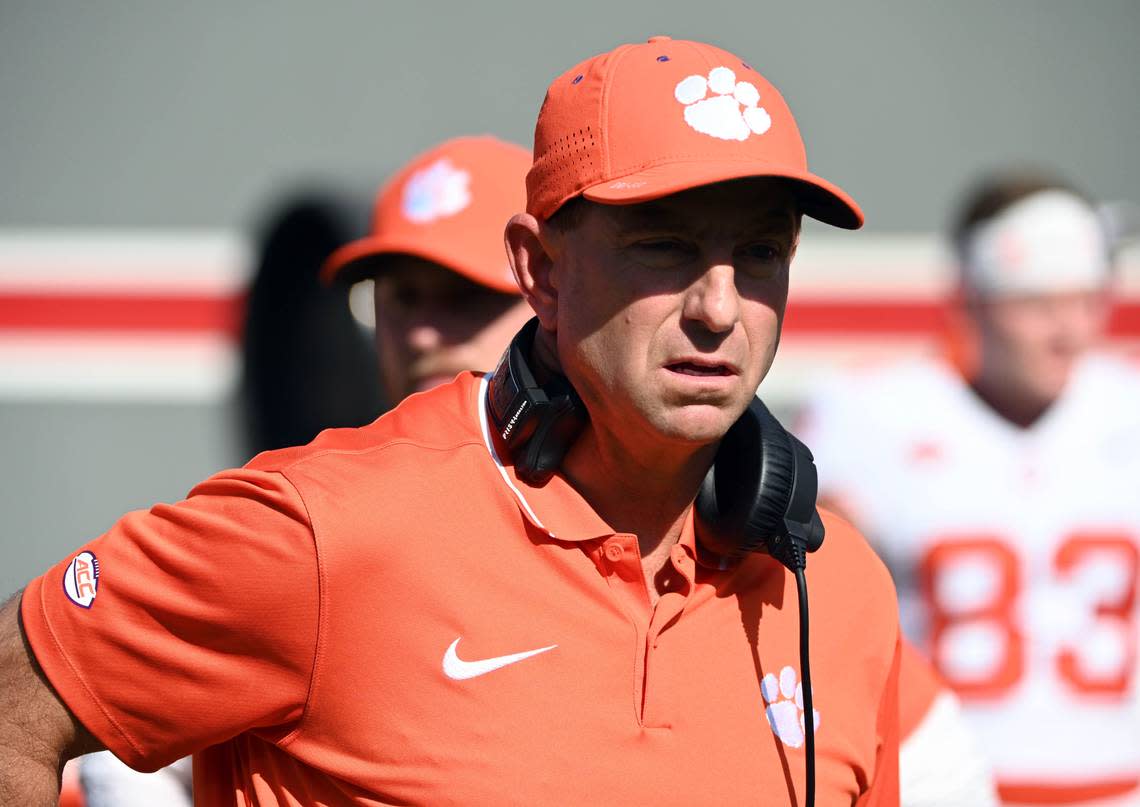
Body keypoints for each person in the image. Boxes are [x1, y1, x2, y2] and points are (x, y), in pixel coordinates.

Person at [1, 37, 903, 805]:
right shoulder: (324, 533)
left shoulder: (835, 585)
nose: (720, 305)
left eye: (758, 253)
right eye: (663, 246)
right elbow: (13, 698)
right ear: (541, 272)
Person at [797, 170, 1140, 806]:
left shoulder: (1127, 408)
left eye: (1087, 300)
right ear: (974, 301)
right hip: (944, 781)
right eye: (1037, 305)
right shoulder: (874, 413)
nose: (1069, 330)